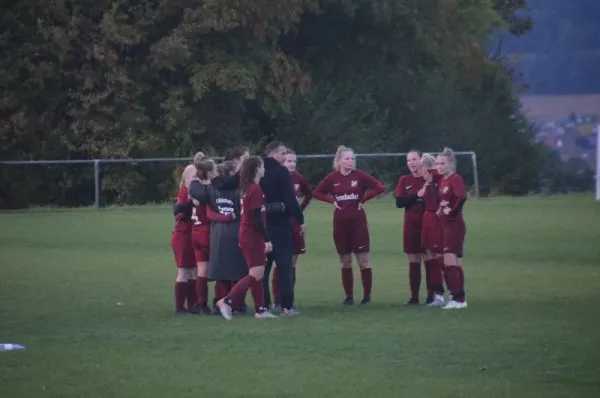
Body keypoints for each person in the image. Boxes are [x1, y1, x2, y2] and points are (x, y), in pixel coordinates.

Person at [313, 145, 385, 305]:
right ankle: (349, 296)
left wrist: (363, 200)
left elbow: (380, 188)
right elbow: (316, 193)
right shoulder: (332, 178)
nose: (350, 162)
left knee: (363, 260)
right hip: (340, 224)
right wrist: (332, 201)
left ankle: (366, 297)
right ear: (339, 161)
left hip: (358, 223)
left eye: (352, 158)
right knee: (345, 261)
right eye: (347, 159)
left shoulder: (359, 176)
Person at [216, 156, 278, 320]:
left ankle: (261, 309)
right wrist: (267, 239)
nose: (265, 169)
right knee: (256, 274)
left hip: (247, 234)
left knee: (257, 273)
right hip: (252, 236)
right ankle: (227, 301)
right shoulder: (255, 190)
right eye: (262, 166)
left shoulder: (250, 187)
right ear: (257, 168)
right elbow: (257, 219)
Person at [259, 141, 305, 315]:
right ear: (273, 154)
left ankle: (264, 304)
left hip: (261, 224)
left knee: (264, 267)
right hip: (280, 224)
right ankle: (287, 306)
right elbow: (290, 199)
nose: (285, 157)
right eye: (283, 153)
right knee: (284, 266)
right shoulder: (281, 171)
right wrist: (299, 218)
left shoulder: (257, 169)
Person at [205, 160, 249, 315]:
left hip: (218, 232)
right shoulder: (239, 190)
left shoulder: (210, 189)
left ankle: (218, 302)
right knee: (238, 270)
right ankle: (236, 303)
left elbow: (208, 211)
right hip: (235, 230)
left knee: (220, 271)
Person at [270, 149, 313, 308]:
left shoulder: (298, 179)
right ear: (282, 162)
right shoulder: (276, 177)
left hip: (294, 224)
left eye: (294, 161)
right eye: (289, 161)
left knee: (292, 262)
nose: (292, 164)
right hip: (279, 224)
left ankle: (288, 298)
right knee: (278, 263)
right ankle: (277, 299)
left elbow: (309, 193)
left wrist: (300, 209)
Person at [436, 147, 468, 309]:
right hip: (445, 223)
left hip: (454, 224)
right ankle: (460, 297)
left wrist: (452, 210)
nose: (439, 166)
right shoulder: (443, 180)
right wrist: (441, 209)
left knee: (449, 260)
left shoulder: (455, 179)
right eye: (437, 163)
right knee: (448, 261)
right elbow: (445, 200)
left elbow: (461, 196)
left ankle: (457, 298)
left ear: (451, 164)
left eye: (442, 163)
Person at [395, 150, 428, 305]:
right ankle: (414, 297)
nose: (411, 163)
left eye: (414, 159)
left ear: (421, 160)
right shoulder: (404, 180)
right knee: (414, 260)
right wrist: (417, 195)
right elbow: (399, 203)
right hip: (411, 224)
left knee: (429, 258)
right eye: (409, 160)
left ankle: (432, 295)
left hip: (428, 224)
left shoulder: (428, 178)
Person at [190, 158, 218, 314]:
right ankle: (219, 301)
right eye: (215, 170)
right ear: (209, 173)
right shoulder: (209, 188)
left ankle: (201, 304)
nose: (217, 173)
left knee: (202, 270)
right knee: (218, 268)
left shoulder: (194, 186)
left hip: (195, 230)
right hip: (207, 231)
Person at [417, 154, 446, 306]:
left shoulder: (439, 183)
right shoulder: (426, 184)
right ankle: (438, 294)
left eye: (423, 168)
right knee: (430, 256)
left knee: (441, 257)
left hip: (436, 219)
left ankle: (448, 292)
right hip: (427, 219)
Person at [171, 164, 200, 313]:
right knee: (183, 271)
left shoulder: (196, 191)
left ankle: (193, 304)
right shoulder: (184, 193)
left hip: (192, 233)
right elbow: (179, 213)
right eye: (194, 176)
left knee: (193, 270)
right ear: (186, 179)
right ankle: (180, 307)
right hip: (183, 235)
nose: (197, 178)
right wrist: (190, 204)